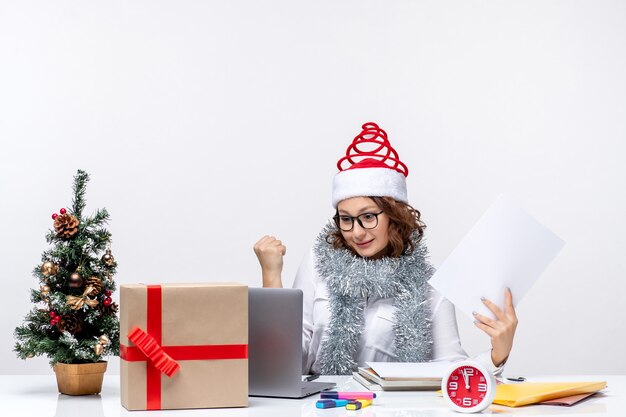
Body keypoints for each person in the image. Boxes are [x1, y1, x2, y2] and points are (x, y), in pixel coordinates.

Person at [254, 122, 518, 375]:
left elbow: (448, 370)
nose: (356, 232)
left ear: (394, 215)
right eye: (346, 219)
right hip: (321, 405)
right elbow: (283, 362)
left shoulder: (429, 287)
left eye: (368, 216)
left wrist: (498, 354)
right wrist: (272, 277)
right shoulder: (318, 264)